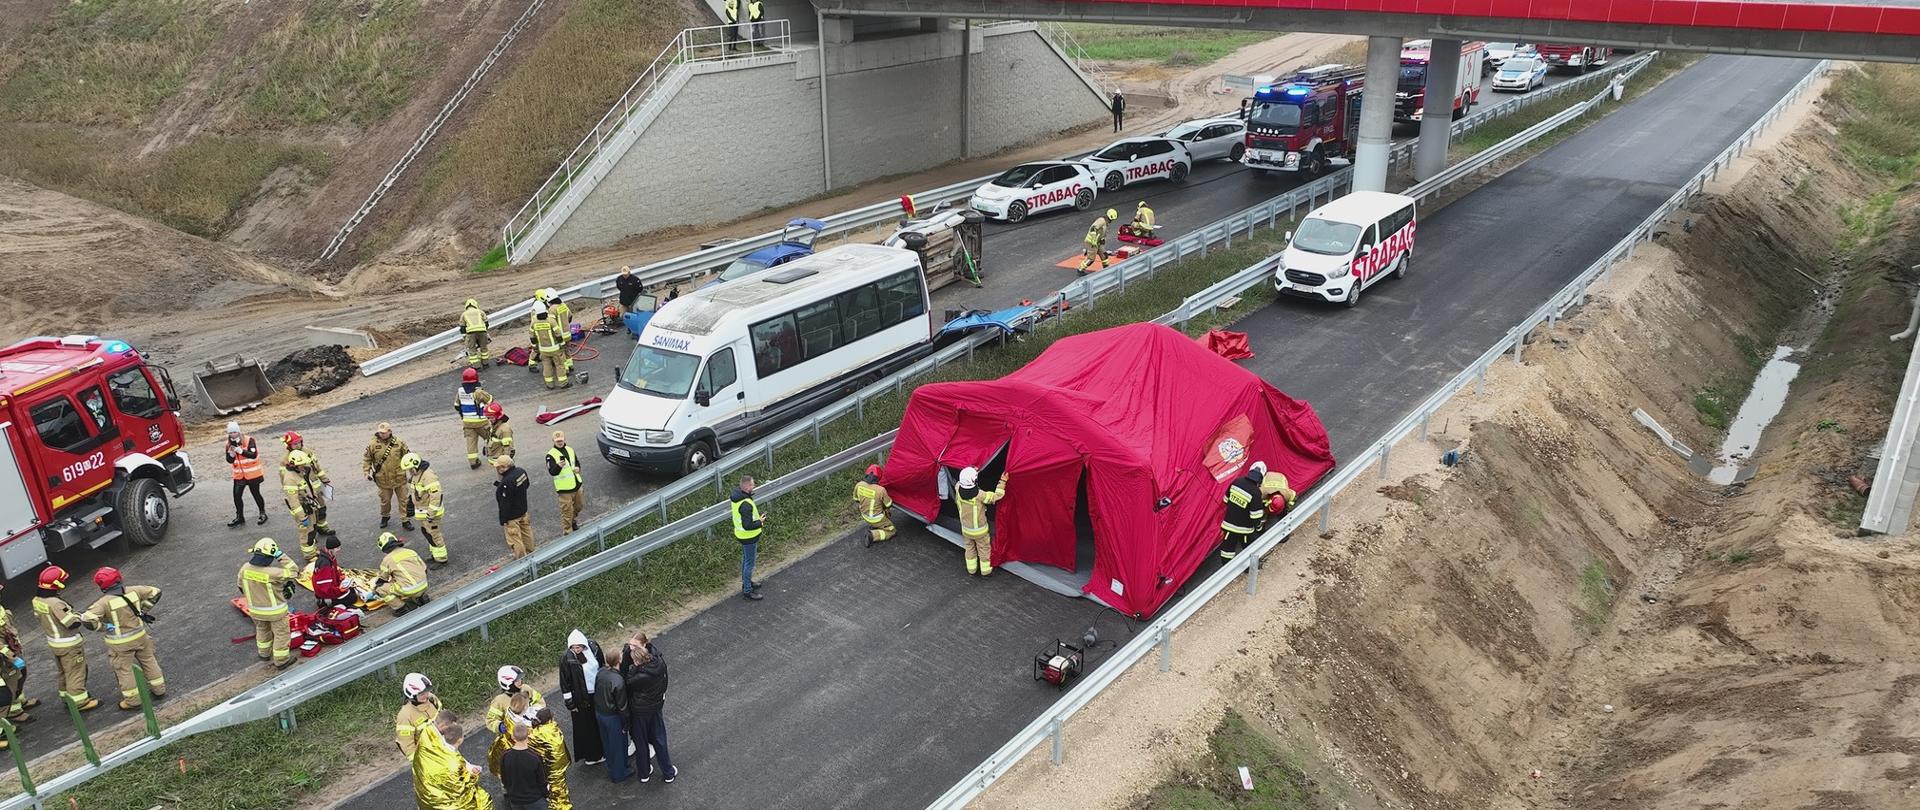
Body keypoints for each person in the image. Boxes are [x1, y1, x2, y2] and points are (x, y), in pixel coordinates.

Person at [397, 674, 493, 810]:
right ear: (411, 695)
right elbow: (406, 745)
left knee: (455, 779)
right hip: (427, 759)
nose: (426, 695)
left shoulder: (433, 701)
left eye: (427, 691)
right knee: (432, 791)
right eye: (422, 694)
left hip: (445, 747)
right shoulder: (405, 716)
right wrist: (421, 763)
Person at [78, 568, 165, 709]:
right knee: (149, 661)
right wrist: (143, 610)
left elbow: (88, 620)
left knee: (124, 670)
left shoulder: (103, 603)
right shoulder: (135, 591)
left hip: (120, 644)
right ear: (119, 578)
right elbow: (155, 592)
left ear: (101, 585)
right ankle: (159, 690)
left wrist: (104, 627)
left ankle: (133, 701)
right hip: (140, 636)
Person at [31, 566, 98, 711]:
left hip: (55, 643)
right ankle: (80, 702)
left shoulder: (37, 600)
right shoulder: (56, 603)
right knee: (75, 672)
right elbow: (71, 623)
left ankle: (66, 696)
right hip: (69, 644)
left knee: (63, 671)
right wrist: (83, 617)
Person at [621, 633, 676, 784]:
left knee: (641, 741)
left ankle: (644, 773)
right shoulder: (658, 663)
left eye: (634, 647)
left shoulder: (639, 676)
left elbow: (628, 682)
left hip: (640, 711)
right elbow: (664, 680)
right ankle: (668, 772)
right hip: (656, 707)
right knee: (659, 739)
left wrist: (632, 669)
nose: (630, 649)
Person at [238, 538, 301, 669]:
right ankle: (282, 661)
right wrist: (280, 555)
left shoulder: (244, 569)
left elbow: (241, 587)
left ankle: (264, 654)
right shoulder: (274, 573)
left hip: (255, 610)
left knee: (262, 630)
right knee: (281, 635)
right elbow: (295, 571)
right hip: (276, 612)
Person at [557, 630, 606, 766]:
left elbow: (601, 666)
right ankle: (591, 755)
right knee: (586, 727)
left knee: (597, 724)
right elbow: (565, 682)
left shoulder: (594, 648)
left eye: (578, 647)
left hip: (596, 693)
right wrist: (570, 703)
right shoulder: (566, 658)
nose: (576, 650)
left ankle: (600, 751)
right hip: (581, 699)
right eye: (573, 647)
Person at [487, 666, 544, 777]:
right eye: (517, 681)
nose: (521, 682)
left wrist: (535, 713)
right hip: (513, 740)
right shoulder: (499, 701)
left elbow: (540, 702)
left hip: (532, 735)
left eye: (520, 679)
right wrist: (500, 726)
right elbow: (490, 720)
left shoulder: (526, 689)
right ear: (507, 683)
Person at [954, 467, 1008, 576]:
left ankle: (971, 569)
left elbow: (963, 481)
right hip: (980, 531)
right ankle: (985, 570)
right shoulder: (980, 495)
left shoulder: (957, 488)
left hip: (966, 529)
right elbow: (996, 496)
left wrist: (971, 472)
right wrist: (1002, 482)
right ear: (974, 481)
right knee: (984, 549)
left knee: (969, 548)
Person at [282, 450, 332, 561]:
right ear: (293, 465)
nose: (304, 466)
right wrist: (302, 517)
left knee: (313, 529)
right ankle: (309, 556)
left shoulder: (303, 472)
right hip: (302, 510)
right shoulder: (290, 478)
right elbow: (293, 501)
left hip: (310, 506)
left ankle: (313, 551)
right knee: (306, 533)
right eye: (301, 465)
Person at [403, 453, 451, 565]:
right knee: (427, 533)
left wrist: (431, 514)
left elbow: (436, 496)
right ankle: (435, 555)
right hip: (423, 513)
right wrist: (410, 504)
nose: (409, 472)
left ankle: (441, 559)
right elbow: (414, 491)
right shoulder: (416, 475)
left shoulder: (428, 476)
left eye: (410, 469)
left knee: (434, 535)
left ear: (415, 465)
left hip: (431, 514)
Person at [364, 422, 414, 530]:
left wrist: (413, 471)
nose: (381, 434)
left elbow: (408, 457)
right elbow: (367, 459)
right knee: (385, 501)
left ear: (390, 432)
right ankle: (385, 516)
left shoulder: (399, 443)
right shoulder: (372, 444)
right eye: (380, 432)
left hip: (399, 477)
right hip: (383, 479)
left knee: (403, 500)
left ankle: (405, 520)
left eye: (384, 432)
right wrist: (366, 472)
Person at [592, 648, 632, 782]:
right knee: (618, 745)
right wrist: (626, 723)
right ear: (619, 660)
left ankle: (612, 766)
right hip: (613, 717)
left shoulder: (601, 672)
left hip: (600, 713)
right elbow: (622, 706)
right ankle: (619, 773)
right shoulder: (618, 680)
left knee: (608, 742)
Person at [0, 588, 36, 723]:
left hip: (12, 649)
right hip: (5, 658)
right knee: (11, 682)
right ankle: (14, 711)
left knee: (19, 676)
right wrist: (12, 657)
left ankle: (19, 700)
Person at [1219, 461, 1268, 561]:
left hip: (1228, 526)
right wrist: (1259, 528)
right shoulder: (1255, 492)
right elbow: (1256, 516)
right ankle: (1249, 568)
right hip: (1244, 529)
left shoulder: (1236, 482)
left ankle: (1227, 572)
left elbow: (1225, 500)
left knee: (1227, 551)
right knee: (1249, 549)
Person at [375, 532, 432, 615]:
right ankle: (420, 598)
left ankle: (401, 608)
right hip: (423, 584)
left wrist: (377, 584)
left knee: (380, 589)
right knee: (405, 579)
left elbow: (383, 578)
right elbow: (424, 568)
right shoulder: (410, 552)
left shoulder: (387, 559)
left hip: (408, 589)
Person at [528, 706, 573, 809]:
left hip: (545, 768)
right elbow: (557, 752)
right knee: (559, 791)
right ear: (549, 720)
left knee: (551, 790)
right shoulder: (552, 730)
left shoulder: (534, 733)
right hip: (555, 769)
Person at [226, 422, 269, 528]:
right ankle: (240, 517)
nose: (233, 435)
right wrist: (231, 455)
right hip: (239, 475)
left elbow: (253, 455)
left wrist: (241, 451)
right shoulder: (228, 444)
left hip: (252, 474)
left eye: (235, 432)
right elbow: (229, 460)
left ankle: (262, 513)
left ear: (239, 431)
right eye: (231, 433)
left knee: (256, 494)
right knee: (236, 496)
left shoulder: (249, 440)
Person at [729, 477, 765, 601]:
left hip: (741, 535)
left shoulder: (738, 497)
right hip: (748, 536)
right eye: (753, 484)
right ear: (748, 486)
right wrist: (760, 522)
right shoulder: (745, 504)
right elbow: (748, 525)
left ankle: (747, 582)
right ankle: (747, 591)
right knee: (749, 564)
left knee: (745, 560)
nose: (754, 486)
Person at [500, 722, 548, 810]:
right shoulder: (535, 757)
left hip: (515, 800)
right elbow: (542, 780)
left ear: (513, 737)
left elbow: (504, 778)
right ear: (528, 735)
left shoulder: (505, 756)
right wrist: (546, 794)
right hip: (535, 799)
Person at [495, 455, 535, 559]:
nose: (497, 469)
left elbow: (505, 503)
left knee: (515, 540)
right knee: (527, 534)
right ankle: (532, 555)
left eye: (499, 467)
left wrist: (503, 519)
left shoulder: (506, 482)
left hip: (512, 517)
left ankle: (521, 561)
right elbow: (527, 485)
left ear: (504, 467)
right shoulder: (521, 472)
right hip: (523, 510)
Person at [546, 431, 585, 533]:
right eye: (557, 441)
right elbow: (552, 472)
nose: (559, 442)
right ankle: (568, 532)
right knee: (567, 511)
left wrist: (578, 468)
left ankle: (573, 521)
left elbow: (576, 462)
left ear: (564, 439)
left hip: (576, 484)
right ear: (553, 441)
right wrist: (558, 466)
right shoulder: (550, 455)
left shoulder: (570, 449)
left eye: (561, 440)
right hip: (564, 489)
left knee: (579, 506)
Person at [456, 368, 495, 469]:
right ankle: (492, 454)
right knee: (490, 437)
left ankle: (473, 462)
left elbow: (456, 405)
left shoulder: (460, 391)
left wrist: (463, 415)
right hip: (481, 422)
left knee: (471, 442)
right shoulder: (478, 392)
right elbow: (490, 400)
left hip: (467, 423)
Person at [854, 464, 895, 546]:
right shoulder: (881, 490)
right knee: (891, 531)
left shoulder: (859, 485)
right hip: (877, 518)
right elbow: (889, 504)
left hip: (864, 515)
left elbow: (856, 499)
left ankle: (875, 526)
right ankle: (872, 535)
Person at [311, 535, 352, 611]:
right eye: (337, 548)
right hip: (325, 593)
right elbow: (325, 588)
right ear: (330, 550)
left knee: (351, 590)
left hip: (330, 587)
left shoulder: (330, 557)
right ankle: (325, 601)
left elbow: (335, 571)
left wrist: (340, 577)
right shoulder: (325, 564)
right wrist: (339, 590)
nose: (339, 550)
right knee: (351, 597)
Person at [530, 312, 568, 390]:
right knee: (560, 366)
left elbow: (532, 337)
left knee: (547, 366)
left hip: (543, 350)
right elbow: (558, 334)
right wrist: (562, 344)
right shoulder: (551, 321)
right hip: (555, 349)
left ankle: (549, 384)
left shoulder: (534, 323)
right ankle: (563, 383)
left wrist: (535, 348)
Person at [1077, 209, 1115, 276]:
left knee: (1104, 255)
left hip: (1098, 242)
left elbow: (1101, 233)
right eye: (1110, 219)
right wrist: (1094, 240)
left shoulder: (1106, 223)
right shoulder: (1101, 221)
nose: (1111, 221)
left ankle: (1106, 269)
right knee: (1091, 259)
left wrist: (1103, 239)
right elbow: (1093, 229)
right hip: (1092, 242)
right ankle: (1080, 269)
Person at [461, 298, 491, 370]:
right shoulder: (480, 312)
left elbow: (462, 327)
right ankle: (485, 364)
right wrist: (485, 332)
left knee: (472, 349)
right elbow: (486, 323)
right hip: (482, 331)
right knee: (484, 347)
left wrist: (464, 336)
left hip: (471, 333)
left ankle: (476, 366)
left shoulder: (464, 314)